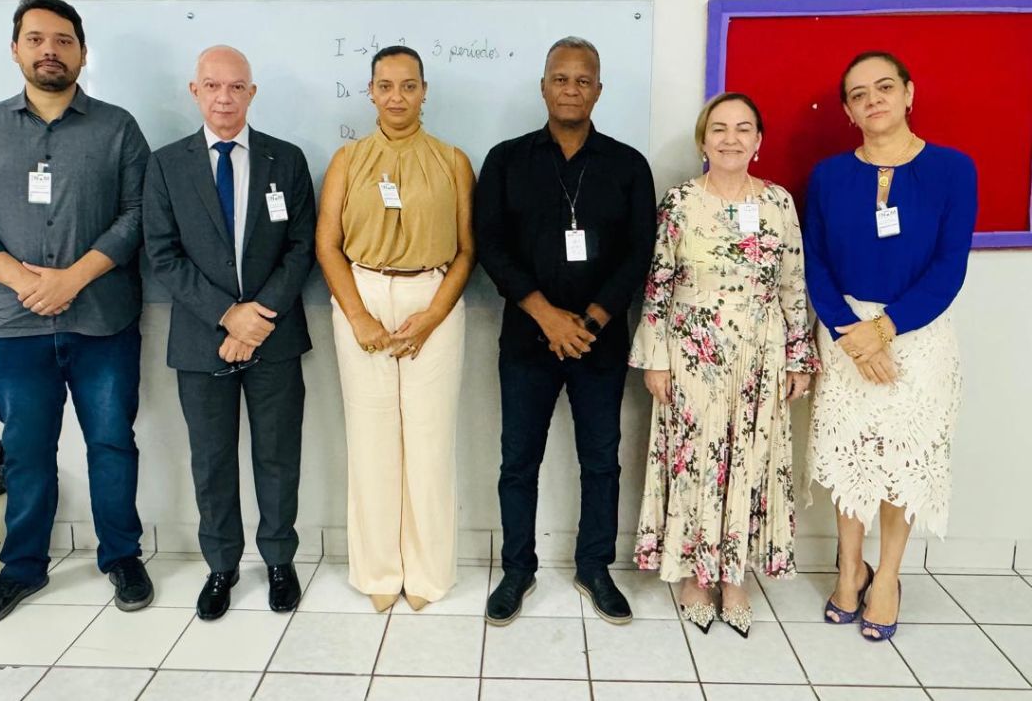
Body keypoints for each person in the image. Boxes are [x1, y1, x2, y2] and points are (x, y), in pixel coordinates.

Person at [0, 0, 153, 629]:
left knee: (112, 444)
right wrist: (22, 280)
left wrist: (75, 277)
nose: (49, 50)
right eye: (36, 39)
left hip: (102, 322)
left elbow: (139, 212)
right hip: (14, 325)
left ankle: (122, 557)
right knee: (27, 449)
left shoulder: (117, 128)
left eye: (62, 40)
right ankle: (21, 569)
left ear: (83, 52)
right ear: (15, 49)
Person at [475, 36, 655, 626]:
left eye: (583, 80)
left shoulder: (628, 165)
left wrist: (593, 319)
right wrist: (547, 315)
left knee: (601, 460)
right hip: (528, 337)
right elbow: (490, 246)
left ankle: (594, 566)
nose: (571, 88)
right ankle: (517, 570)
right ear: (543, 85)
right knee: (517, 461)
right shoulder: (506, 159)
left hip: (600, 342)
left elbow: (639, 253)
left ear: (598, 90)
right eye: (560, 78)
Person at [630, 92, 819, 637]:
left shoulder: (780, 203)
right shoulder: (680, 201)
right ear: (702, 140)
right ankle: (694, 574)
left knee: (751, 461)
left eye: (743, 128)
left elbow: (792, 283)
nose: (731, 138)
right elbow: (659, 282)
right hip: (693, 351)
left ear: (758, 141)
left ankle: (735, 576)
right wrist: (656, 358)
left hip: (761, 351)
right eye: (719, 128)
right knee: (696, 461)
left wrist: (798, 357)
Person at [804, 51, 976, 641]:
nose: (872, 99)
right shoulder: (828, 176)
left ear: (908, 92)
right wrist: (850, 333)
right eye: (858, 94)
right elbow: (817, 263)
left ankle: (889, 578)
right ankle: (850, 570)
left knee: (902, 460)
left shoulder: (955, 169)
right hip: (845, 332)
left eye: (884, 87)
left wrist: (887, 329)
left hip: (918, 337)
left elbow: (949, 268)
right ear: (849, 111)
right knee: (851, 454)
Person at [143, 46, 315, 620]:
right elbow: (162, 255)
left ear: (252, 92)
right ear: (195, 91)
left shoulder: (285, 161)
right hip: (202, 340)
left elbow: (300, 247)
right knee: (212, 461)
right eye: (212, 86)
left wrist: (257, 315)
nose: (224, 97)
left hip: (274, 337)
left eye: (236, 87)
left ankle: (279, 561)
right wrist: (226, 315)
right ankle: (221, 566)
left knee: (277, 455)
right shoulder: (166, 165)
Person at [315, 45, 475, 613]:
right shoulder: (347, 160)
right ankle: (379, 571)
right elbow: (326, 245)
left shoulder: (452, 160)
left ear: (425, 91)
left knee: (430, 441)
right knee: (372, 439)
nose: (397, 97)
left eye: (409, 86)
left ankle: (428, 575)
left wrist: (432, 315)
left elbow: (466, 248)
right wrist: (358, 313)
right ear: (371, 92)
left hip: (432, 298)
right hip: (362, 296)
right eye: (386, 86)